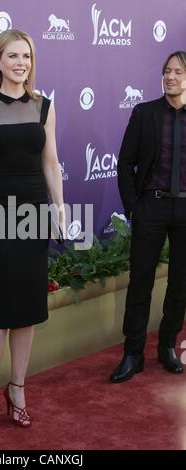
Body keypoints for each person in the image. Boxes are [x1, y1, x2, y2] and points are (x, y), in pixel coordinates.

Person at [0, 29, 64, 433]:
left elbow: (51, 163)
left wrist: (59, 210)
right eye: (13, 56)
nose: (21, 63)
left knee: (29, 309)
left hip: (36, 212)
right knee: (3, 308)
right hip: (0, 214)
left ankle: (17, 389)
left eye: (27, 56)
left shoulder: (45, 107)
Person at [110, 51, 186, 383]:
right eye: (167, 71)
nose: (171, 77)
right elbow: (125, 162)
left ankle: (167, 345)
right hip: (151, 208)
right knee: (140, 280)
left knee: (181, 284)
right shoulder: (144, 113)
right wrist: (133, 208)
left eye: (179, 72)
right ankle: (133, 353)